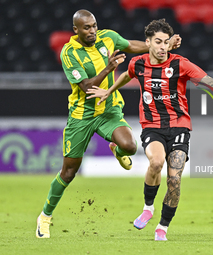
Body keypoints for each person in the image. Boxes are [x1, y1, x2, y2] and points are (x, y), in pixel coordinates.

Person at [86, 19, 213, 241]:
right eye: (158, 42)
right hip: (152, 126)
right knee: (156, 163)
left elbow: (210, 81)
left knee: (174, 179)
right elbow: (126, 75)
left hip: (179, 126)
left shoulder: (180, 64)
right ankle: (148, 207)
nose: (162, 47)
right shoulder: (138, 64)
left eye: (165, 42)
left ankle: (163, 226)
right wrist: (109, 91)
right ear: (148, 43)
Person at [36, 10, 181, 239]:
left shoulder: (108, 37)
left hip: (108, 110)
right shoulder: (69, 52)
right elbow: (86, 87)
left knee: (131, 146)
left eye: (94, 26)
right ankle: (45, 216)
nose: (92, 31)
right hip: (82, 116)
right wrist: (109, 68)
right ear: (76, 30)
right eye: (86, 28)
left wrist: (161, 46)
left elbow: (131, 46)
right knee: (69, 172)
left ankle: (116, 148)